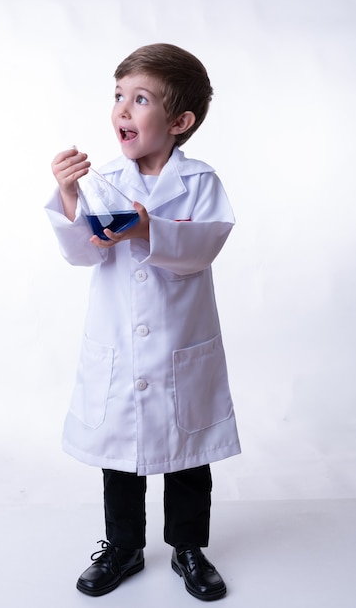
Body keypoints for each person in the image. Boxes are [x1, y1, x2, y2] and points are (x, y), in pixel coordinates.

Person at [45, 43, 241, 601]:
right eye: (118, 97)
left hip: (181, 344)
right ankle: (124, 546)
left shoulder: (200, 181)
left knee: (187, 455)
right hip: (118, 345)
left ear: (180, 121)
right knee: (120, 454)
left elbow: (205, 244)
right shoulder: (103, 180)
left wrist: (146, 230)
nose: (122, 111)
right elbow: (82, 254)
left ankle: (187, 547)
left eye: (140, 99)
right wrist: (67, 194)